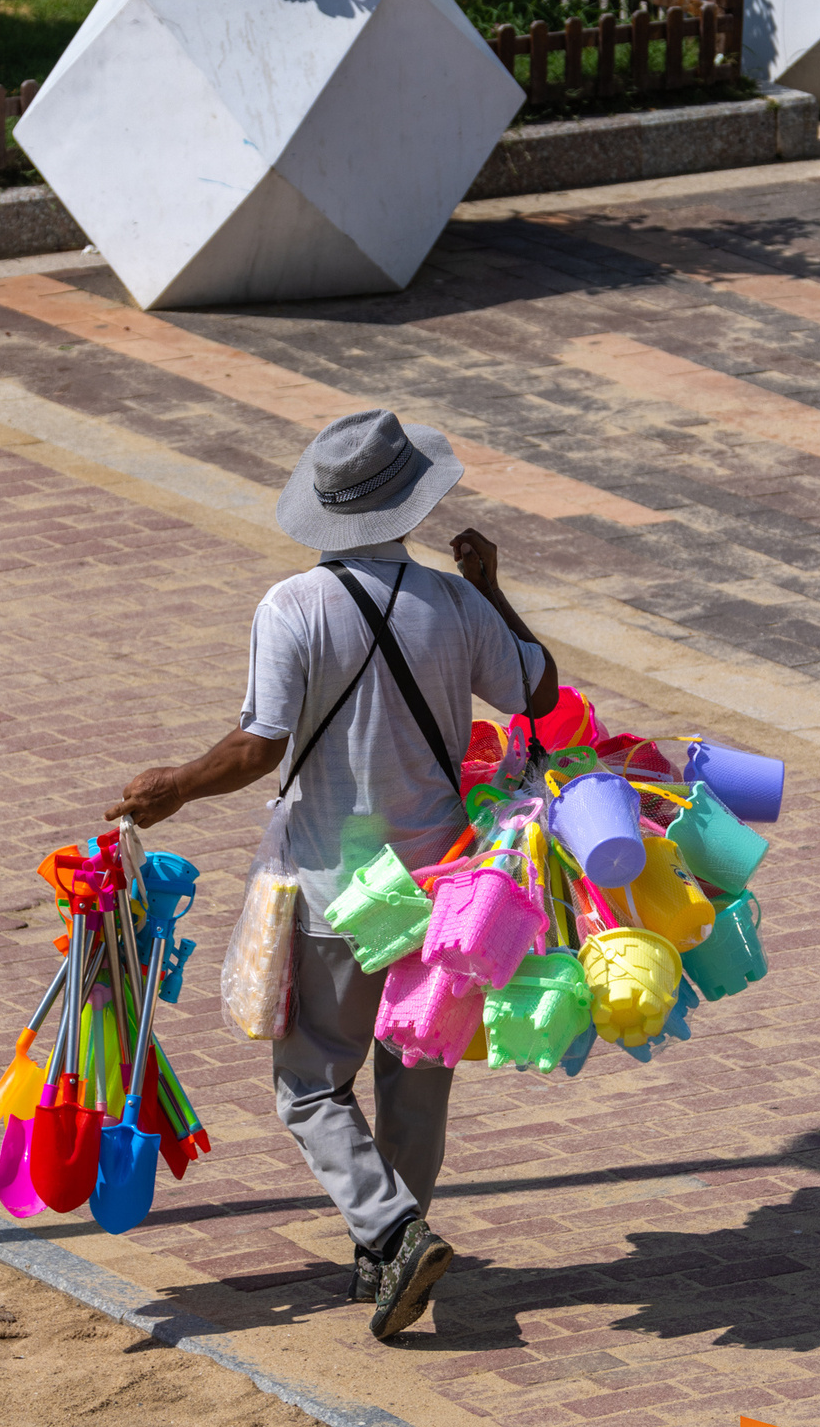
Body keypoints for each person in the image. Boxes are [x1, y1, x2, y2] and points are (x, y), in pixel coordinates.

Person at [105, 408, 558, 1341]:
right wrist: (492, 589)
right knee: (414, 1074)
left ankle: (391, 1231)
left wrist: (174, 788)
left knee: (310, 1083)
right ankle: (383, 1256)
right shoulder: (456, 603)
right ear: (410, 505)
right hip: (443, 889)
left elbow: (258, 746)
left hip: (336, 884)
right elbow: (540, 692)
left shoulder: (293, 607)